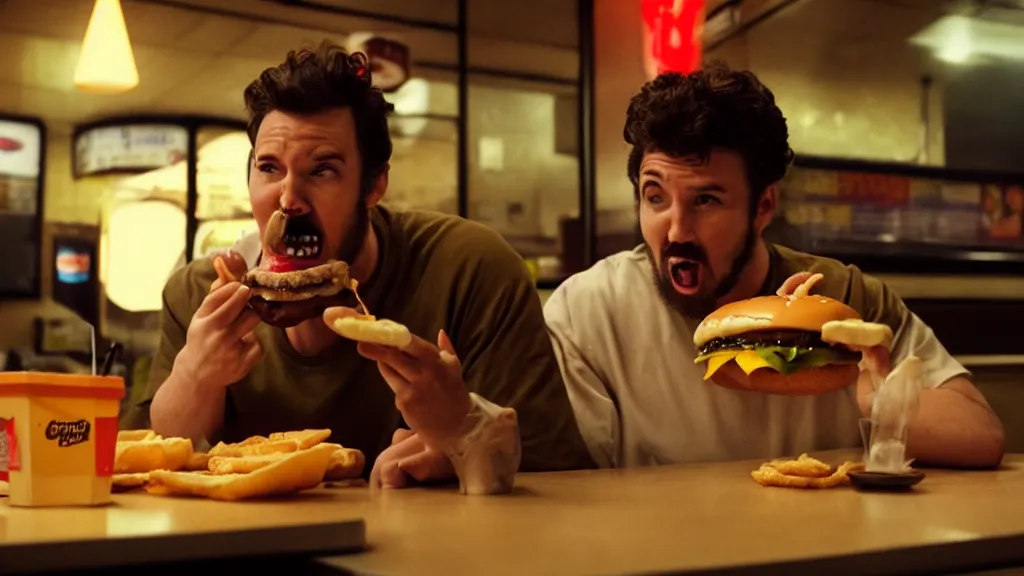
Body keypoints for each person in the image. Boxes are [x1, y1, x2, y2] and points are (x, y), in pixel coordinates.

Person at [121, 41, 595, 491]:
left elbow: (557, 479)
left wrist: (463, 438)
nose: (288, 199)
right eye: (269, 168)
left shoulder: (471, 271)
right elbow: (142, 477)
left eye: (322, 170)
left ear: (374, 186)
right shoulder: (198, 293)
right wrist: (195, 378)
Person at [544, 62, 1006, 470]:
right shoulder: (590, 310)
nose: (677, 230)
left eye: (706, 200)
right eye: (655, 197)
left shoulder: (846, 301)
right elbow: (569, 487)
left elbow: (981, 437)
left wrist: (869, 387)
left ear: (763, 206)